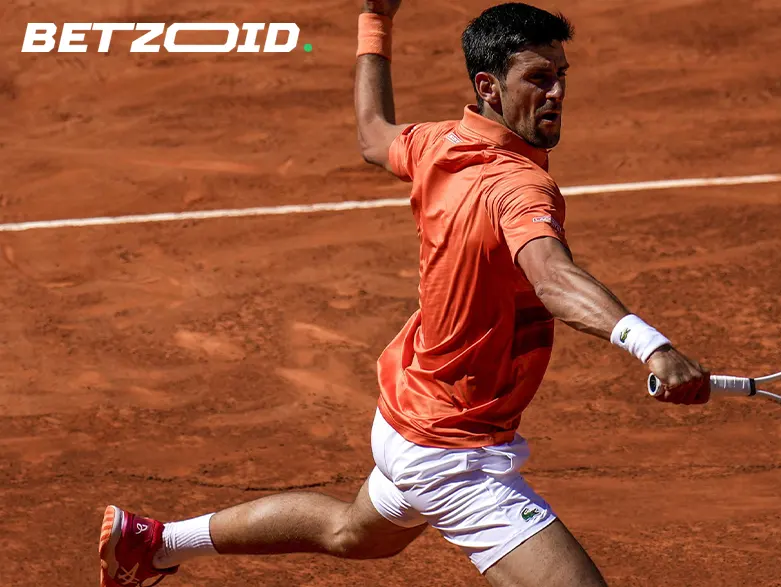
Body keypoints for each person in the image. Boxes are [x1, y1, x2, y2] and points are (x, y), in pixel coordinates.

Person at [97, 2, 712, 585]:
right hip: (454, 449)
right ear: (489, 87)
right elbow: (552, 277)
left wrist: (375, 20)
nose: (555, 93)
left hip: (407, 412)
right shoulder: (520, 186)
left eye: (560, 76)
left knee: (353, 533)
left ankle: (153, 543)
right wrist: (651, 346)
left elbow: (372, 135)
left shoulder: (438, 143)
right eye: (538, 78)